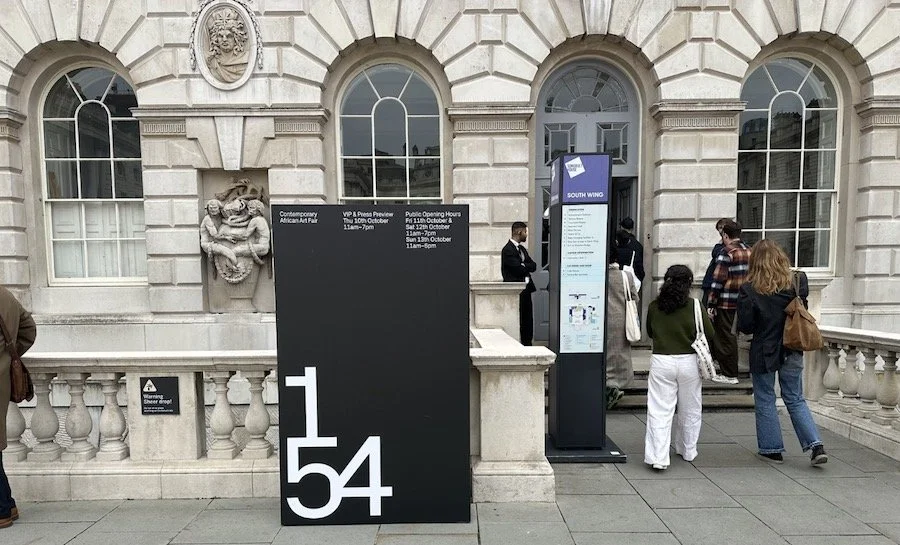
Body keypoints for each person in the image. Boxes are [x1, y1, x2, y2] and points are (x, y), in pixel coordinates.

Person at [737, 239, 828, 466]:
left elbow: (746, 325)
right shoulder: (797, 281)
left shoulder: (749, 289)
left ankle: (772, 449)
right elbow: (801, 309)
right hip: (792, 346)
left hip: (763, 349)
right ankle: (815, 446)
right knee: (795, 397)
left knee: (765, 398)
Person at [644, 265, 713, 470]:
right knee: (690, 407)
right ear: (689, 284)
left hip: (662, 360)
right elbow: (709, 332)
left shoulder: (655, 306)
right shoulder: (695, 306)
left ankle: (658, 457)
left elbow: (649, 331)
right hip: (689, 361)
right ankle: (687, 449)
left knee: (659, 410)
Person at [0, 286, 37, 529]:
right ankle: (7, 504)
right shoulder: (4, 294)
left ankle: (3, 509)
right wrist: (6, 358)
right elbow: (28, 330)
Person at [706, 219, 751, 385]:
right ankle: (732, 372)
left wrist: (711, 304)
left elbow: (718, 280)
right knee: (736, 338)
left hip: (726, 302)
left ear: (725, 235)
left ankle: (729, 373)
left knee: (725, 337)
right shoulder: (750, 251)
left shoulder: (727, 252)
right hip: (745, 301)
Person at [606, 247, 638, 409]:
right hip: (621, 321)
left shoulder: (598, 275)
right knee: (620, 354)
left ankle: (608, 386)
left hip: (602, 320)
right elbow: (634, 298)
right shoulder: (626, 276)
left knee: (605, 355)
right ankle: (616, 385)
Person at [501, 221, 537, 346]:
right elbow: (517, 269)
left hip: (526, 289)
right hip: (515, 290)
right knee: (519, 319)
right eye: (525, 232)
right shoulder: (508, 250)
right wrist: (523, 266)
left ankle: (528, 343)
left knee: (528, 320)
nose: (526, 235)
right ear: (518, 232)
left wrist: (524, 265)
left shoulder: (522, 249)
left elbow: (533, 266)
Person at [205, 7, 251, 84]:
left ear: (236, 39)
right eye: (220, 36)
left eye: (229, 36)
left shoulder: (245, 58)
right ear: (215, 39)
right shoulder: (211, 61)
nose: (224, 39)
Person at [701, 217, 731, 305]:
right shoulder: (720, 245)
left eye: (723, 228)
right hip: (710, 283)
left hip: (717, 285)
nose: (721, 231)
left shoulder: (722, 247)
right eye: (719, 228)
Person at [615, 217, 644, 284]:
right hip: (632, 280)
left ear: (621, 227)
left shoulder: (616, 244)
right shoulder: (638, 246)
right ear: (632, 229)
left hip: (618, 279)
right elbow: (639, 267)